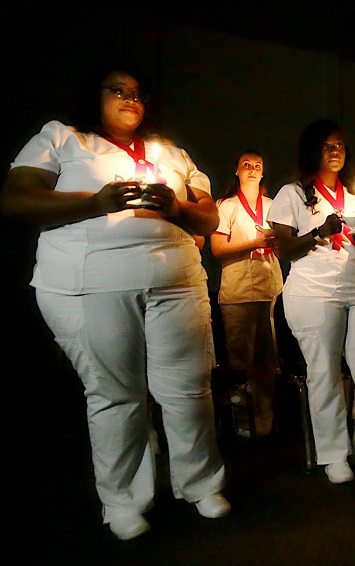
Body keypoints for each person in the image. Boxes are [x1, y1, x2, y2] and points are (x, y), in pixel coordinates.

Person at [0, 65, 229, 540]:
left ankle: (200, 483)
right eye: (118, 91)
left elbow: (208, 217)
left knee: (189, 388)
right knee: (116, 393)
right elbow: (17, 199)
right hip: (92, 282)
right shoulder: (63, 138)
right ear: (95, 96)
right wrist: (97, 202)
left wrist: (177, 208)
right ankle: (123, 500)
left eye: (139, 93)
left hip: (177, 280)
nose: (130, 98)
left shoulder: (172, 152)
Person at [268, 119, 355, 483]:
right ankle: (334, 455)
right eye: (327, 146)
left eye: (340, 145)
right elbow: (285, 249)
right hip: (313, 290)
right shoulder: (292, 193)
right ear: (313, 151)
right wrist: (320, 232)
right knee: (324, 372)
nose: (335, 151)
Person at [210, 150, 283, 437]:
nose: (252, 169)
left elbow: (284, 248)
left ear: (263, 173)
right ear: (237, 171)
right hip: (238, 291)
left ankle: (265, 421)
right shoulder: (225, 206)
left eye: (258, 166)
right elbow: (217, 250)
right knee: (240, 362)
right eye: (246, 165)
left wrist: (277, 243)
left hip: (271, 289)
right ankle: (241, 420)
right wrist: (256, 241)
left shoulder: (274, 205)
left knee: (268, 360)